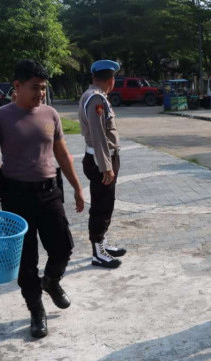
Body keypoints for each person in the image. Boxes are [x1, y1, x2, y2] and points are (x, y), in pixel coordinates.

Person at [0, 60, 85, 338]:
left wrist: (76, 186)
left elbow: (62, 154)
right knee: (26, 261)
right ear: (17, 86)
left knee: (62, 248)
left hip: (50, 193)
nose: (40, 94)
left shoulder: (50, 114)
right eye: (35, 88)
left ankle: (51, 281)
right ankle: (36, 311)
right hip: (17, 198)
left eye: (44, 89)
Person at [77, 59, 126, 268]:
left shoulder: (94, 96)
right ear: (111, 80)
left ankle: (102, 242)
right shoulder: (96, 99)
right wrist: (106, 167)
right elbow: (98, 136)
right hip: (101, 162)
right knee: (101, 207)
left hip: (101, 159)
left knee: (106, 204)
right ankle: (98, 253)